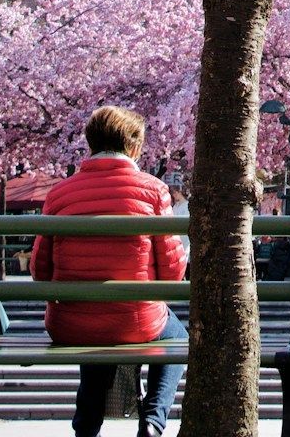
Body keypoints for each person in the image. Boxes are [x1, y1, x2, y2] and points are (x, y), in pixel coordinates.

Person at [32, 106, 189, 437]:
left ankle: (86, 427)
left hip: (71, 323)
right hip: (135, 320)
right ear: (133, 147)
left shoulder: (59, 193)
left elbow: (39, 269)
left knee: (94, 324)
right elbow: (172, 273)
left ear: (90, 143)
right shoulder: (153, 190)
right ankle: (153, 420)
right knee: (176, 335)